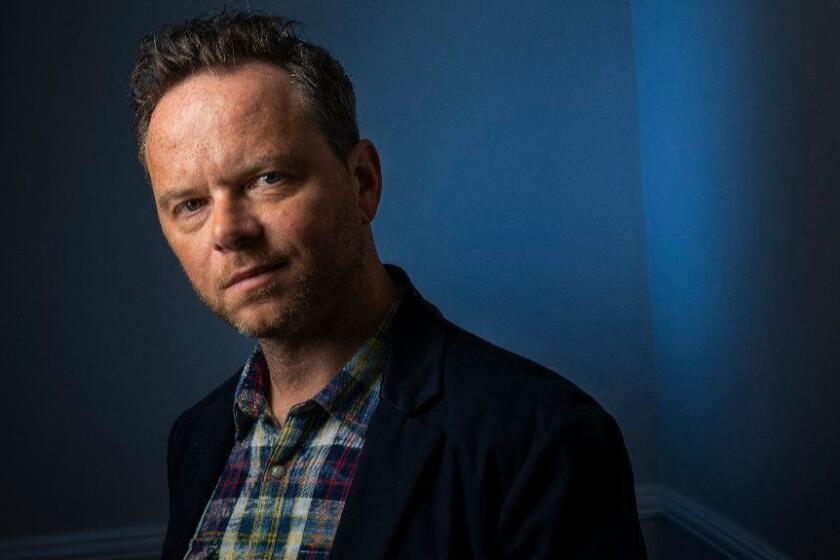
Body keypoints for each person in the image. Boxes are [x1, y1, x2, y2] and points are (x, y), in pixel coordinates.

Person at [130, 11, 646, 559]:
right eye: (191, 205)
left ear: (362, 182)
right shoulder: (196, 439)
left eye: (267, 178)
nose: (229, 231)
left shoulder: (543, 440)